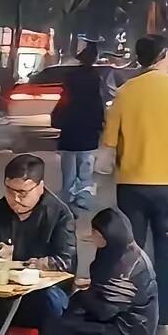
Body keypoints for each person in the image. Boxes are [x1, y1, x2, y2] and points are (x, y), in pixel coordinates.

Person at [99, 34, 168, 335]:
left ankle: (130, 319)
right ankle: (167, 324)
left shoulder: (126, 92)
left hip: (131, 185)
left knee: (129, 253)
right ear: (163, 55)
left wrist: (102, 175)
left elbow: (109, 143)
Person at [0, 154, 77, 334]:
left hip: (39, 293)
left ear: (40, 187)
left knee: (51, 300)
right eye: (10, 191)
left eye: (23, 193)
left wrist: (29, 263)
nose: (16, 199)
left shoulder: (60, 215)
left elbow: (66, 263)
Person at [39, 208, 158, 335]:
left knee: (55, 333)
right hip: (125, 323)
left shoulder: (125, 265)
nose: (92, 237)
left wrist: (81, 294)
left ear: (106, 235)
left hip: (128, 331)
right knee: (68, 322)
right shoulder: (122, 251)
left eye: (95, 233)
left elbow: (105, 310)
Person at [50, 44, 107, 218]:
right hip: (88, 133)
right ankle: (82, 198)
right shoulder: (96, 79)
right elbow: (100, 107)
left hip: (70, 132)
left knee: (68, 169)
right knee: (85, 170)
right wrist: (101, 126)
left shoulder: (71, 78)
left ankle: (67, 198)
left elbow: (62, 103)